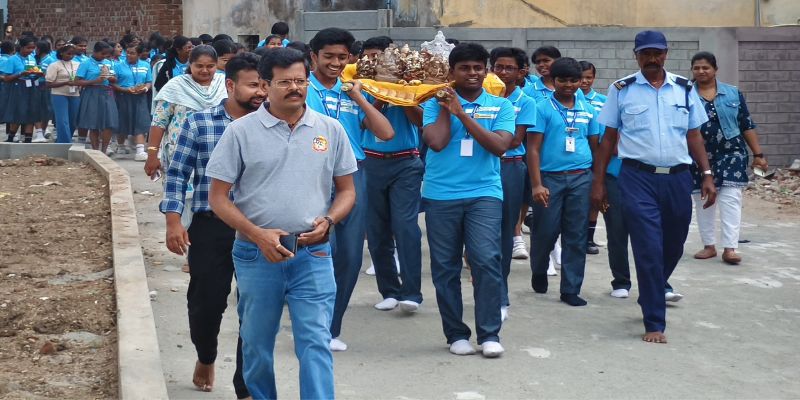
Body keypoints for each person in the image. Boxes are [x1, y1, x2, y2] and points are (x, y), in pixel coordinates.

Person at [206, 47, 357, 400]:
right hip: (257, 255)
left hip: (313, 254)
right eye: (285, 82)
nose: (295, 88)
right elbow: (218, 198)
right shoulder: (241, 132)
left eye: (300, 81)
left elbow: (347, 190)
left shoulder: (330, 129)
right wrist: (257, 235)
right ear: (266, 85)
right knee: (257, 343)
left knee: (315, 341)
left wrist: (330, 220)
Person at [591, 30, 716, 344]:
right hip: (637, 178)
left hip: (678, 178)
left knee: (674, 244)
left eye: (657, 53)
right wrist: (598, 182)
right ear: (636, 56)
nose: (651, 58)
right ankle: (654, 320)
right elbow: (608, 139)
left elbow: (694, 135)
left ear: (665, 54)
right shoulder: (621, 90)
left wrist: (707, 174)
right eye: (645, 53)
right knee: (647, 246)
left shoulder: (685, 89)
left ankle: (652, 288)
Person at [160, 52, 263, 399]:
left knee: (255, 307)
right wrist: (173, 220)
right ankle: (206, 355)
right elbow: (178, 174)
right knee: (205, 304)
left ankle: (246, 385)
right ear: (230, 85)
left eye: (265, 85)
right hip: (211, 225)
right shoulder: (200, 123)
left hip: (259, 230)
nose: (261, 92)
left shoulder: (274, 124)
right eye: (253, 85)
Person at [422, 43, 514, 358]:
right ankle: (456, 334)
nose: (472, 73)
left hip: (484, 193)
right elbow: (436, 142)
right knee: (445, 266)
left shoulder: (501, 106)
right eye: (464, 68)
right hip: (441, 194)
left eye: (478, 68)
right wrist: (446, 106)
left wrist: (461, 113)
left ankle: (489, 334)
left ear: (485, 71)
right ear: (452, 72)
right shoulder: (433, 103)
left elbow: (499, 146)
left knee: (486, 260)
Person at [306, 27, 394, 352]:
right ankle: (311, 324)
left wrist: (358, 97)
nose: (335, 63)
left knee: (351, 255)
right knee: (318, 251)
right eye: (328, 56)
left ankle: (331, 328)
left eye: (342, 57)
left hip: (353, 174)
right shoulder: (303, 88)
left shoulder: (353, 90)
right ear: (313, 56)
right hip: (312, 174)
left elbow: (385, 132)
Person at [360, 36, 425, 316]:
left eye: (380, 57)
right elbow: (364, 122)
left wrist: (401, 92)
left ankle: (411, 293)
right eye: (369, 57)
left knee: (406, 226)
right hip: (371, 162)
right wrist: (378, 96)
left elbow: (421, 121)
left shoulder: (410, 83)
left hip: (405, 163)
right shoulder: (360, 87)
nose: (375, 62)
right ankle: (389, 291)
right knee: (376, 230)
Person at [527, 57, 600, 307]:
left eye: (573, 80)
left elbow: (595, 146)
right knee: (546, 231)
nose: (568, 85)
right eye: (562, 80)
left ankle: (570, 288)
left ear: (580, 81)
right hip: (550, 178)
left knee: (576, 234)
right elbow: (533, 149)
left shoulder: (588, 109)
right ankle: (539, 269)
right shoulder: (541, 108)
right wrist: (536, 184)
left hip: (581, 177)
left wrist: (597, 181)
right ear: (553, 80)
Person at [689, 51, 766, 265]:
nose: (701, 71)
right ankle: (709, 246)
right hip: (698, 155)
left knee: (731, 198)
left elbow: (746, 123)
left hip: (732, 153)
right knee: (703, 200)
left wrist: (758, 154)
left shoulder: (733, 93)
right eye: (696, 68)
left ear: (715, 69)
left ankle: (730, 248)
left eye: (705, 67)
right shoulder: (685, 94)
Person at [489, 46, 537, 320]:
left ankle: (500, 292)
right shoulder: (482, 96)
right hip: (481, 166)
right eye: (498, 67)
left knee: (505, 230)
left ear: (521, 73)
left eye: (509, 68)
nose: (503, 72)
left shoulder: (525, 101)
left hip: (509, 166)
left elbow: (516, 140)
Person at [144, 45, 227, 189]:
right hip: (181, 153)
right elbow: (158, 122)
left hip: (218, 153)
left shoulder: (225, 84)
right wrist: (152, 155)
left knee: (216, 195)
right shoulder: (175, 86)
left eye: (210, 66)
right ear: (190, 64)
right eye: (199, 66)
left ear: (216, 65)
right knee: (180, 195)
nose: (205, 70)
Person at [579, 60, 606, 255]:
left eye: (589, 77)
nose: (585, 81)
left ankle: (589, 238)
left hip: (598, 153)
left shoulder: (603, 101)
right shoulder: (570, 99)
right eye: (581, 78)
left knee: (594, 199)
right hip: (578, 155)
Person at [75, 40, 118, 152]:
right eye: (102, 53)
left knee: (109, 123)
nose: (104, 56)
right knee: (93, 123)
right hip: (91, 92)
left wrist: (108, 76)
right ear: (95, 51)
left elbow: (115, 79)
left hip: (106, 93)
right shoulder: (86, 63)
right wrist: (95, 81)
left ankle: (104, 150)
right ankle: (95, 150)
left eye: (106, 54)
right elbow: (77, 81)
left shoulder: (108, 63)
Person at [113, 43, 153, 161]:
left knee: (141, 121)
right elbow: (113, 83)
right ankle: (120, 145)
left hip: (140, 97)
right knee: (123, 120)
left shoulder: (145, 65)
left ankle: (140, 151)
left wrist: (145, 89)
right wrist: (125, 89)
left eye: (132, 53)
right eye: (128, 53)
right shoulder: (118, 66)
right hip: (123, 96)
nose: (129, 55)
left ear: (139, 54)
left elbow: (149, 81)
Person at [0, 36, 42, 143]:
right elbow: (6, 78)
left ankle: (28, 139)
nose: (31, 50)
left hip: (31, 87)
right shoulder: (12, 59)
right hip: (18, 87)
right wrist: (20, 74)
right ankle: (11, 137)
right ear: (21, 47)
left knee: (32, 112)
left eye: (33, 48)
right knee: (18, 112)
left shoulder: (32, 58)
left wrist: (38, 74)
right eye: (28, 48)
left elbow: (34, 72)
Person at [45, 44, 81, 144]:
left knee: (73, 121)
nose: (71, 56)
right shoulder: (55, 65)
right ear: (61, 53)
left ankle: (63, 139)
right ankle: (65, 143)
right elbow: (48, 84)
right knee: (62, 120)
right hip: (59, 94)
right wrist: (65, 83)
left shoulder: (78, 64)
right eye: (68, 53)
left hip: (75, 94)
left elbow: (81, 77)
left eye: (73, 54)